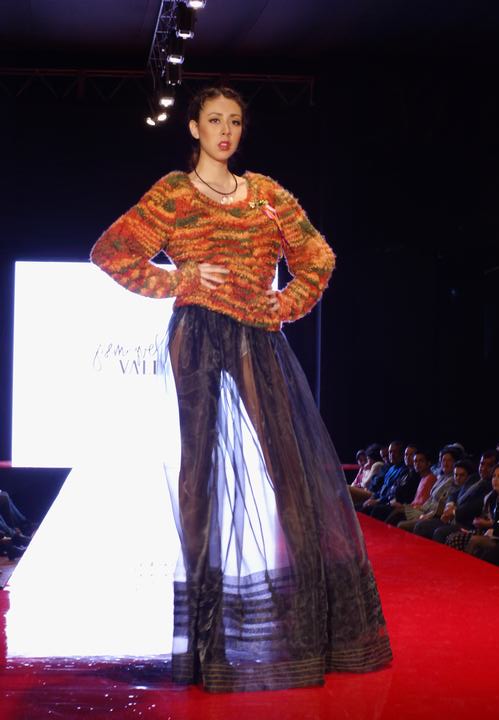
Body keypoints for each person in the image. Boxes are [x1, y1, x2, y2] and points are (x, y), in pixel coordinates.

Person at [90, 86, 391, 693]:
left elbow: (318, 258)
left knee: (292, 470)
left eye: (233, 121)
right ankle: (208, 645)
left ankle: (317, 630)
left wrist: (287, 302)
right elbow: (111, 252)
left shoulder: (269, 195)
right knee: (199, 477)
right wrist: (180, 278)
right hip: (197, 335)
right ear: (194, 129)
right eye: (213, 121)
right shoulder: (174, 193)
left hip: (259, 337)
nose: (225, 131)